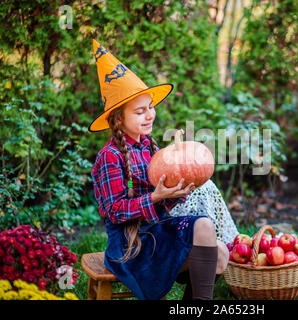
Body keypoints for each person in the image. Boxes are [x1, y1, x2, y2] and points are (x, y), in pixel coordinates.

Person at [89, 40, 227, 300]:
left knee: (216, 247)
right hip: (131, 246)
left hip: (157, 230)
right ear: (119, 119)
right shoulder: (111, 156)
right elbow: (115, 211)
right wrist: (155, 197)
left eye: (150, 107)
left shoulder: (151, 149)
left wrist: (179, 191)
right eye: (140, 111)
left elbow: (163, 202)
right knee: (213, 249)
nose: (149, 115)